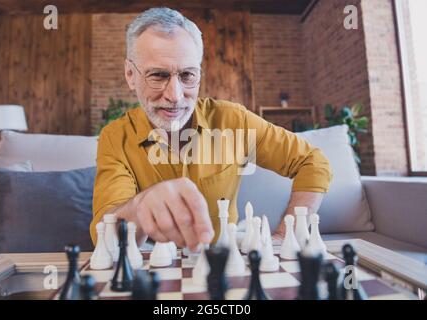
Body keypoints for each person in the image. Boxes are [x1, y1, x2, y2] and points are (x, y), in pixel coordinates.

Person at [91, 7, 332, 251]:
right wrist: (140, 207)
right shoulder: (115, 138)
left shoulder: (233, 121)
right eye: (158, 75)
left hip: (224, 263)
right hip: (152, 267)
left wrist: (285, 234)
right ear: (131, 75)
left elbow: (312, 162)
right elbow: (104, 234)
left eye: (187, 75)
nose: (175, 96)